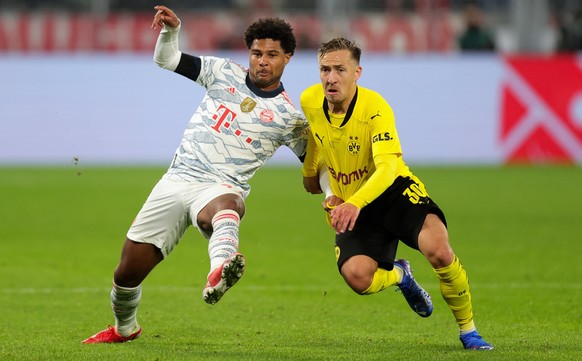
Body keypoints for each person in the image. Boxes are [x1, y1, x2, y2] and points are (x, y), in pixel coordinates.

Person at [83, 5, 308, 344]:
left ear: (287, 57)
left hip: (220, 186)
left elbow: (316, 164)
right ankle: (125, 328)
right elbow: (166, 59)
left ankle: (220, 267)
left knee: (226, 206)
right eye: (257, 52)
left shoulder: (290, 117)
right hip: (177, 179)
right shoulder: (221, 71)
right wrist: (171, 31)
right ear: (249, 52)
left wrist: (333, 190)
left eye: (272, 54)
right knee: (126, 272)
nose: (262, 60)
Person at [301, 37, 494, 350]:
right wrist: (312, 175)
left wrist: (352, 203)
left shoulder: (375, 107)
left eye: (340, 69)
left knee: (439, 250)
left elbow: (388, 167)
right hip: (353, 200)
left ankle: (469, 331)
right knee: (358, 278)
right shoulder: (310, 100)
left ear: (357, 72)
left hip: (393, 193)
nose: (331, 77)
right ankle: (401, 276)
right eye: (324, 69)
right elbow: (316, 141)